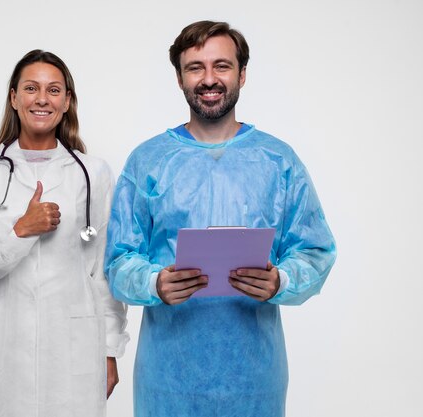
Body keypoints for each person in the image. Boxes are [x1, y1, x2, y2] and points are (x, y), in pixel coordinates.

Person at [104, 21, 336, 417]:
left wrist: (280, 279)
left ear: (242, 74)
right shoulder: (148, 162)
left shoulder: (278, 161)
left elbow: (314, 251)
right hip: (167, 380)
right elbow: (117, 261)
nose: (209, 79)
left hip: (254, 380)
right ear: (179, 78)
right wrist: (153, 283)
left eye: (221, 66)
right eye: (195, 67)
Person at [0, 49, 129, 417]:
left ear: (67, 101)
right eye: (31, 88)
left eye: (54, 90)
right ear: (13, 97)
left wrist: (109, 350)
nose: (42, 99)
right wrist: (18, 231)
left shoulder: (93, 174)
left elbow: (102, 272)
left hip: (71, 354)